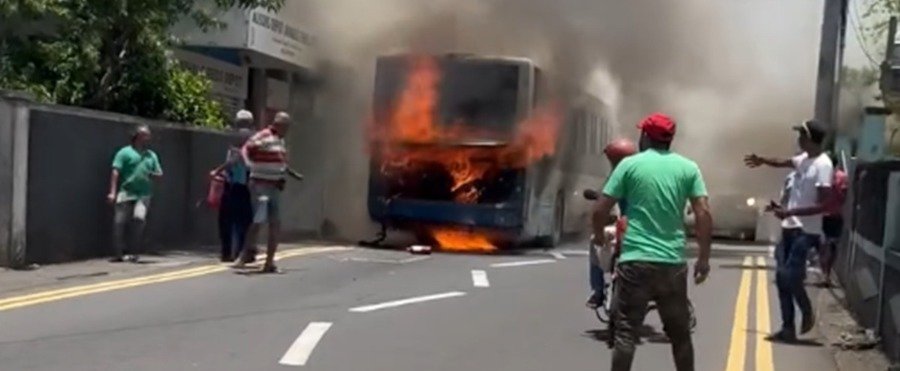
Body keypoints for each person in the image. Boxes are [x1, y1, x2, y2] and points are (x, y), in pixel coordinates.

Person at [592, 113, 712, 371]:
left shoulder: (629, 165)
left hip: (635, 261)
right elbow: (703, 213)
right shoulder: (689, 168)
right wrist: (703, 258)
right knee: (680, 336)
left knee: (626, 335)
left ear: (646, 136)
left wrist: (600, 236)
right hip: (671, 263)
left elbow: (600, 209)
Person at [744, 119, 834, 342]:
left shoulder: (824, 165)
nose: (798, 139)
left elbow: (823, 205)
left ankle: (807, 311)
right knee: (782, 278)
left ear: (811, 138)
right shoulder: (804, 159)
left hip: (807, 230)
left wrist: (792, 211)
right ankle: (787, 328)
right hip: (790, 227)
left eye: (801, 135)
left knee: (791, 276)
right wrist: (762, 160)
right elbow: (782, 162)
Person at [234, 112, 304, 273]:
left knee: (275, 224)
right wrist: (249, 164)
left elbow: (279, 163)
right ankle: (243, 256)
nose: (287, 130)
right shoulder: (264, 136)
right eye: (286, 127)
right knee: (259, 220)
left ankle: (269, 263)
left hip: (274, 186)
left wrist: (292, 174)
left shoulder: (280, 140)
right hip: (261, 186)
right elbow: (246, 149)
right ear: (279, 124)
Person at [587, 138, 638, 309]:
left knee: (595, 242)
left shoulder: (618, 177)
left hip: (630, 229)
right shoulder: (642, 174)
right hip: (636, 229)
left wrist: (599, 233)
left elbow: (602, 207)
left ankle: (598, 291)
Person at [107, 125, 163, 263]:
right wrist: (112, 192)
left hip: (143, 194)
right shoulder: (124, 152)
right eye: (146, 135)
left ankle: (134, 252)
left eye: (149, 135)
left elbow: (159, 173)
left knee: (139, 219)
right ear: (138, 136)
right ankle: (118, 253)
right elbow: (115, 171)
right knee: (119, 222)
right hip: (126, 191)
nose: (148, 138)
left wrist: (154, 174)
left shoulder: (151, 155)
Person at [210, 110, 256, 262]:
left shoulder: (240, 137)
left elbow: (234, 159)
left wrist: (218, 170)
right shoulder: (254, 137)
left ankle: (229, 252)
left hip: (236, 184)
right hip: (245, 184)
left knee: (227, 220)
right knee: (244, 220)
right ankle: (242, 251)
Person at [819, 154, 847, 287]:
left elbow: (843, 196)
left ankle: (827, 274)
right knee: (823, 245)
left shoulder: (841, 177)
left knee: (832, 245)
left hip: (833, 215)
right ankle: (824, 273)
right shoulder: (821, 176)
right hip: (823, 215)